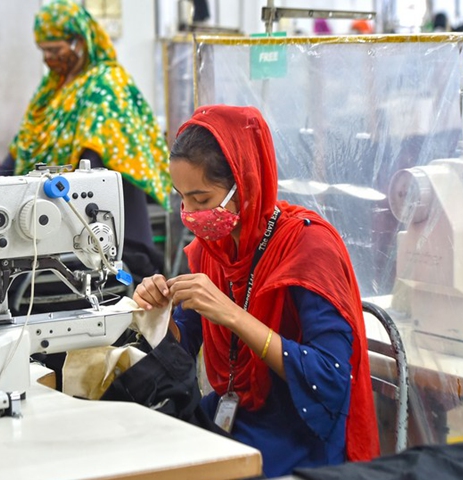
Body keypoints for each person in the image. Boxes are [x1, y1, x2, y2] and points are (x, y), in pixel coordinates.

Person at [133, 105, 379, 477]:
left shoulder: (308, 248)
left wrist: (232, 315)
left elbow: (330, 378)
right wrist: (158, 316)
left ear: (245, 183)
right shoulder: (211, 250)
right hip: (236, 419)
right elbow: (182, 352)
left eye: (202, 200)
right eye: (182, 198)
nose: (190, 213)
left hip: (301, 433)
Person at [0, 0, 170, 279]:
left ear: (79, 41)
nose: (48, 58)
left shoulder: (107, 83)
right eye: (43, 51)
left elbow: (93, 157)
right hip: (55, 217)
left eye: (55, 50)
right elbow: (25, 141)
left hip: (101, 225)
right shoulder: (51, 88)